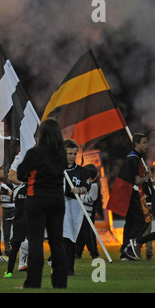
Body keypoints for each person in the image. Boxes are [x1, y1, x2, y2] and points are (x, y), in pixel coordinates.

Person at [16, 118, 68, 289]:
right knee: (57, 241)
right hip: (57, 200)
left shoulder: (35, 153)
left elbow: (21, 174)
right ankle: (60, 283)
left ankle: (33, 283)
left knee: (35, 241)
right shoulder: (61, 155)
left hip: (36, 198)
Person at [107, 133, 152, 261]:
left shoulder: (133, 158)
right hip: (131, 195)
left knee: (130, 222)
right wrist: (147, 177)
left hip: (128, 195)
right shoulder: (133, 159)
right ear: (136, 144)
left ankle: (125, 252)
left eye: (146, 142)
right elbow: (137, 180)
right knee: (141, 221)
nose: (146, 145)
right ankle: (127, 247)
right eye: (143, 142)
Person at [62, 139, 90, 275]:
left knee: (72, 238)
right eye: (69, 153)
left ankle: (70, 268)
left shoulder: (81, 171)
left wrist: (79, 190)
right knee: (62, 238)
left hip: (75, 208)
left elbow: (87, 187)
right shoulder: (57, 169)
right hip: (60, 207)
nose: (72, 156)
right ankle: (60, 266)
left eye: (74, 153)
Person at [75, 164, 100, 259]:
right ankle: (77, 252)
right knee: (80, 234)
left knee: (88, 234)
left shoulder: (94, 186)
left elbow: (90, 198)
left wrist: (79, 195)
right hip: (81, 213)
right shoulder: (84, 185)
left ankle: (94, 252)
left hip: (88, 214)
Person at [0, 181, 15, 256]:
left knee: (16, 231)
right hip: (5, 210)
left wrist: (3, 185)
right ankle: (7, 251)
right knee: (6, 232)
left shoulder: (13, 185)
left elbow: (11, 192)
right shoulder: (0, 187)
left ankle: (12, 246)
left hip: (13, 210)